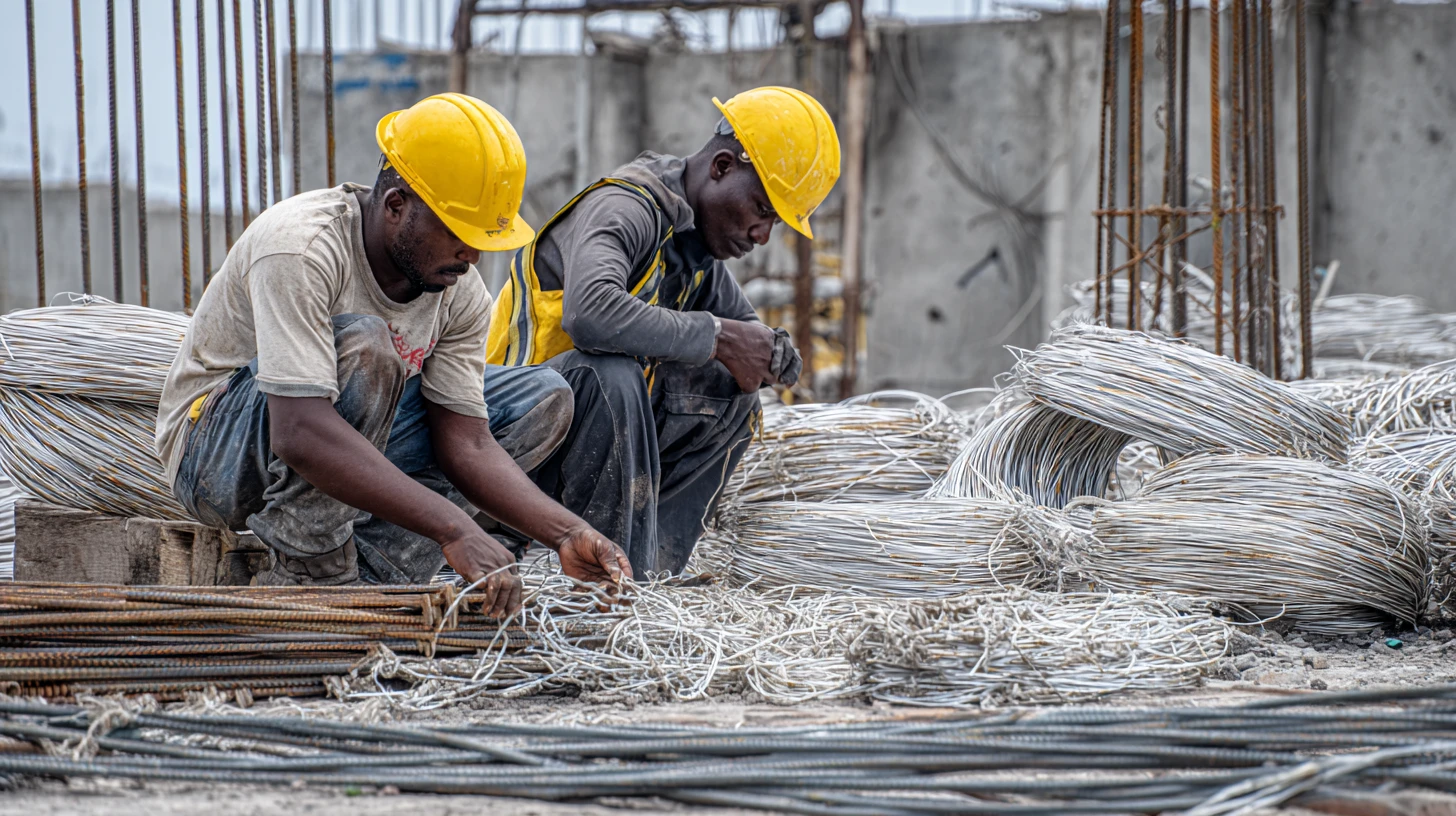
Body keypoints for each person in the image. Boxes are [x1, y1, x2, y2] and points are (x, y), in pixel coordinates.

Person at [154, 93, 632, 616]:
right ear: (397, 205)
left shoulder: (456, 288)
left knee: (542, 398)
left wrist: (567, 533)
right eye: (456, 233)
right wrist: (456, 528)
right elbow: (300, 431)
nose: (471, 257)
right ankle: (313, 571)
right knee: (367, 344)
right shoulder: (302, 248)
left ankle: (379, 578)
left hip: (343, 434)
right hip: (217, 455)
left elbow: (465, 444)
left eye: (480, 240)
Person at [486, 86, 841, 576]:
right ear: (721, 167)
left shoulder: (695, 248)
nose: (763, 236)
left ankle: (648, 574)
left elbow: (745, 338)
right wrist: (718, 337)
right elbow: (588, 313)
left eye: (775, 222)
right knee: (609, 373)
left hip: (588, 456)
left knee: (732, 395)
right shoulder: (625, 208)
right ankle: (607, 588)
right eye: (762, 210)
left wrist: (768, 354)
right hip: (509, 458)